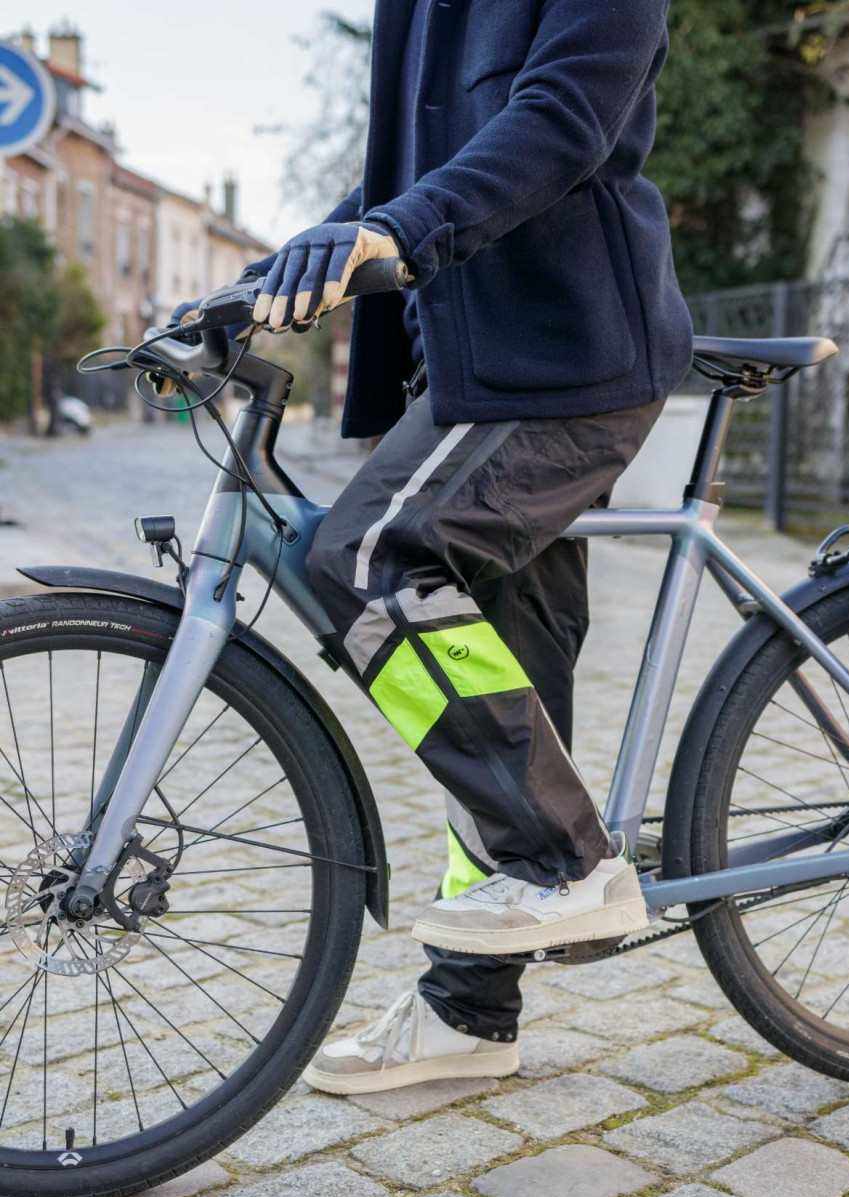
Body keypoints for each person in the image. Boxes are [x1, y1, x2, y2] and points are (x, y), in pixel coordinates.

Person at [174, 0, 693, 1095]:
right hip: (464, 370)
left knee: (360, 559)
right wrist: (260, 281)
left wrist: (396, 233)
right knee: (487, 684)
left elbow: (560, 118)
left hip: (564, 361)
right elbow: (390, 180)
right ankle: (469, 1012)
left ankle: (568, 861)